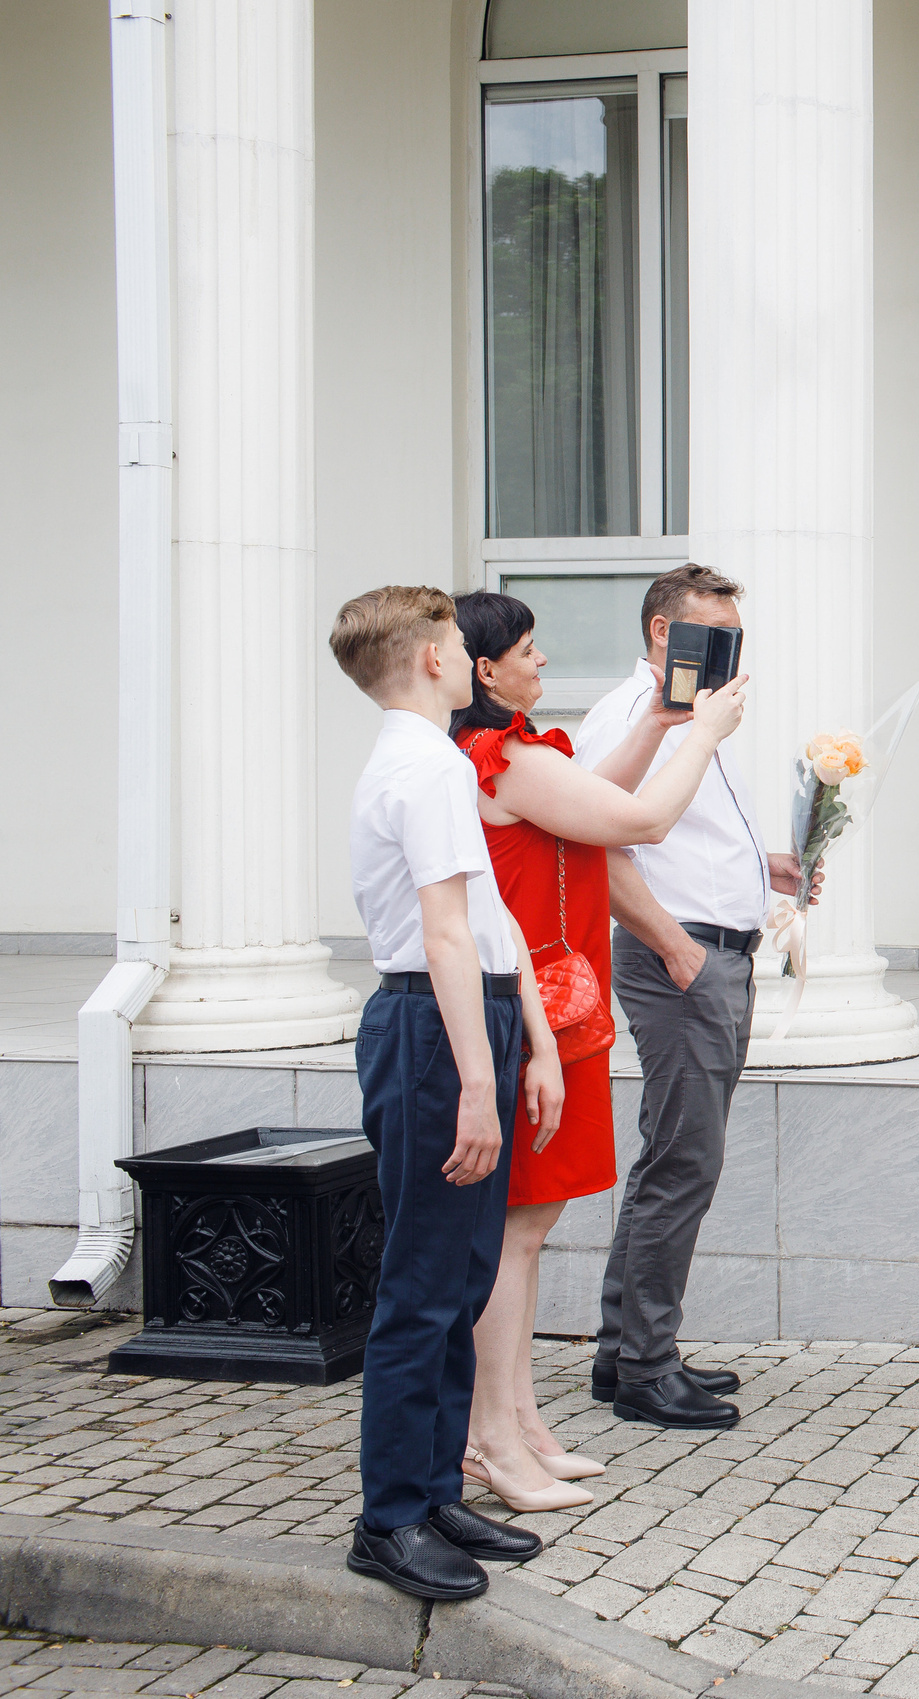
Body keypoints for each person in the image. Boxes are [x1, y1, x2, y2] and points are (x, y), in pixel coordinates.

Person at [445, 590, 750, 1506]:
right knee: (516, 1231)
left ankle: (520, 1421)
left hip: (561, 1007)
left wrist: (663, 719)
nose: (545, 664)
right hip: (536, 1004)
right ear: (484, 670)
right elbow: (638, 822)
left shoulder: (530, 751)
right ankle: (492, 1434)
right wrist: (702, 732)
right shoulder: (499, 758)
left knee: (530, 1229)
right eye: (529, 652)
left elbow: (605, 789)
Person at [329, 585, 565, 1602]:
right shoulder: (423, 766)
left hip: (465, 1016)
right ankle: (389, 1518)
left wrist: (526, 1044)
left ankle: (433, 1492)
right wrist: (479, 1075)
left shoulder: (426, 761)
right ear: (432, 659)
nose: (475, 658)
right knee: (424, 1286)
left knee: (462, 1276)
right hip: (436, 1024)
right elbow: (442, 934)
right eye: (458, 646)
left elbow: (483, 924)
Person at [575, 563, 814, 1430]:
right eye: (714, 635)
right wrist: (675, 947)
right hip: (677, 960)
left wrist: (767, 869)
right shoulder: (629, 717)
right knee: (683, 1164)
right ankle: (644, 1366)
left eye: (736, 637)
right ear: (661, 634)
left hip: (714, 954)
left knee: (670, 1159)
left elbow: (689, 836)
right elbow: (597, 843)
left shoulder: (696, 716)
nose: (729, 653)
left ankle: (625, 1351)